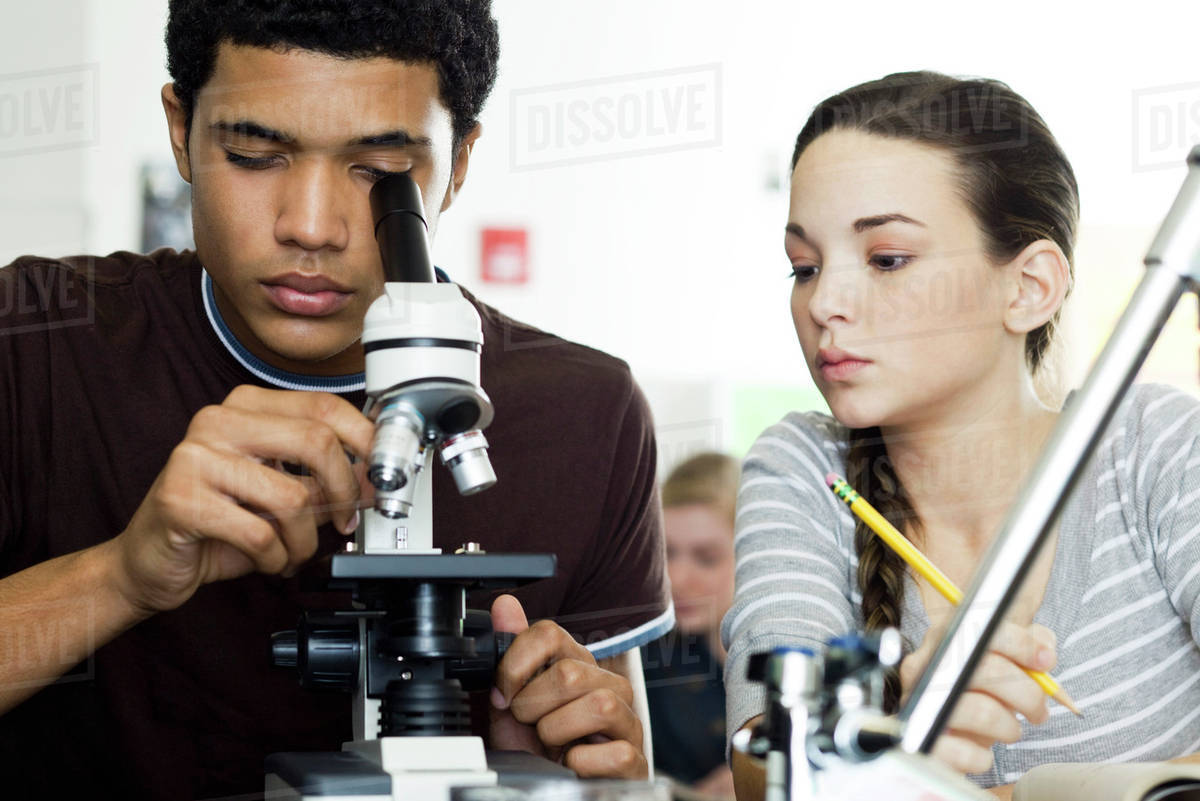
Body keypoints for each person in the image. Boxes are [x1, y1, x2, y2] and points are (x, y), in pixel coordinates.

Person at [0, 2, 674, 798]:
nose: (311, 227)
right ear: (180, 129)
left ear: (458, 164)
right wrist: (121, 576)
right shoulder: (36, 343)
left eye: (380, 171)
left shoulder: (587, 414)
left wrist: (573, 768)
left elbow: (624, 761)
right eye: (254, 154)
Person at [722, 71, 1200, 800]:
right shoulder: (805, 468)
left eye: (886, 259)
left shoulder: (1155, 447)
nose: (824, 302)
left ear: (1030, 287)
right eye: (804, 266)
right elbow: (768, 768)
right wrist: (906, 737)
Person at [642, 452, 739, 799]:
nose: (677, 579)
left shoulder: (801, 654)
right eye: (666, 553)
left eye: (706, 558)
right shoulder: (645, 666)